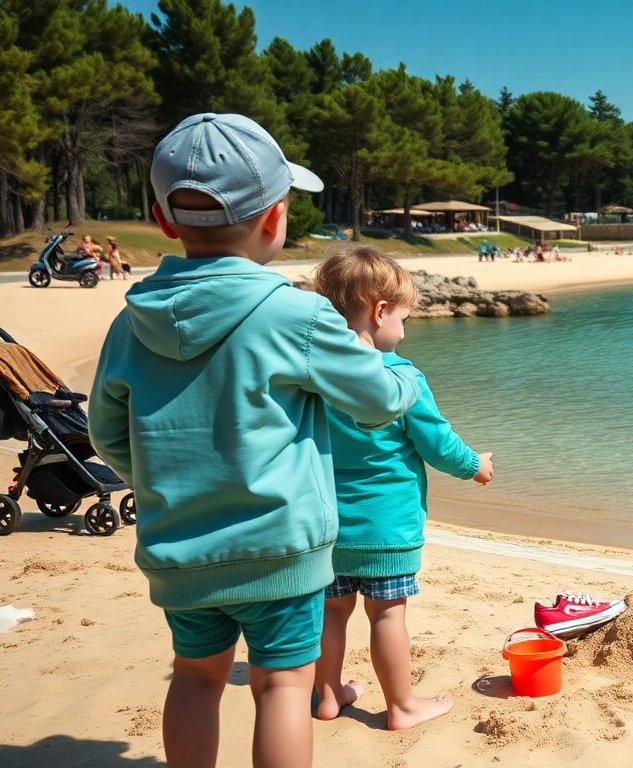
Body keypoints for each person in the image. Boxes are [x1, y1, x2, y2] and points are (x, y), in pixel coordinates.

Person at [89, 112, 421, 768]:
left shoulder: (131, 325)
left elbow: (107, 436)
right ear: (275, 219)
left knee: (196, 677)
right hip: (280, 549)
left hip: (180, 548)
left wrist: (167, 483)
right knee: (281, 687)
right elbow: (378, 403)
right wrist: (401, 381)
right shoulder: (296, 315)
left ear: (163, 221)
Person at [309, 246, 494, 730]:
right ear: (380, 310)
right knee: (387, 617)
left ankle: (328, 697)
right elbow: (436, 443)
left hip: (328, 525)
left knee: (331, 614)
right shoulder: (401, 376)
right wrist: (476, 465)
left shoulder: (313, 376)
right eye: (405, 319)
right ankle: (401, 706)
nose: (405, 331)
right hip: (388, 528)